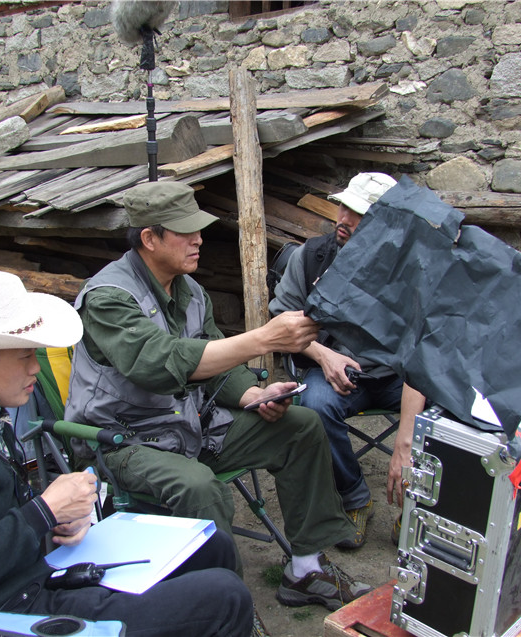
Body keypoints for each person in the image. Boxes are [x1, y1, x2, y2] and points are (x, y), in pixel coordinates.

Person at [0, 271, 254, 637]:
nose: (35, 368)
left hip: (29, 578)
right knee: (227, 597)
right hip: (5, 616)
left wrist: (54, 522)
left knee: (212, 545)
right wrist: (43, 512)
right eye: (24, 356)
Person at [64, 180, 372, 612]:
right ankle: (224, 610)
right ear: (150, 239)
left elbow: (215, 367)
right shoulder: (108, 297)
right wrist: (263, 338)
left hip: (189, 428)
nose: (199, 239)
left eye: (198, 229)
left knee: (301, 426)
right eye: (186, 231)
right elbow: (158, 364)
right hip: (122, 442)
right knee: (200, 487)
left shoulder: (190, 291)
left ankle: (306, 569)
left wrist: (255, 394)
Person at [269, 172, 427, 549]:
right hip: (338, 374)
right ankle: (355, 498)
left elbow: (425, 356)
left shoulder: (412, 271)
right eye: (344, 206)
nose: (344, 218)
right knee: (314, 405)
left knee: (451, 409)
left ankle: (417, 506)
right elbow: (280, 317)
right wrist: (322, 355)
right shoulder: (311, 257)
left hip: (399, 377)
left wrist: (405, 440)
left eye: (359, 212)